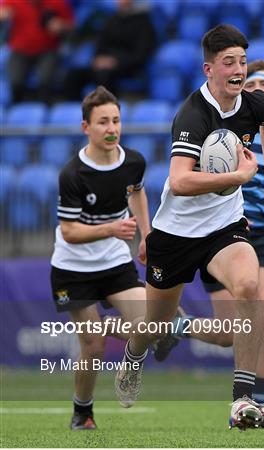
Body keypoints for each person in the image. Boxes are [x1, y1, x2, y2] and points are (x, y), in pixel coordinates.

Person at [114, 25, 264, 431]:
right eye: (229, 63)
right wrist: (242, 177)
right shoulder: (193, 114)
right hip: (175, 235)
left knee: (248, 286)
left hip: (224, 226)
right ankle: (134, 356)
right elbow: (179, 181)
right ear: (209, 69)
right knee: (152, 326)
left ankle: (242, 402)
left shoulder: (254, 103)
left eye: (243, 61)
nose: (238, 69)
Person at [152, 60, 264, 429]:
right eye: (253, 81)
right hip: (218, 229)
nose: (258, 87)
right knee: (232, 333)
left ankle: (254, 406)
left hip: (258, 232)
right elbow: (183, 180)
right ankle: (174, 327)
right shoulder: (218, 127)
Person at [50, 85, 150, 430]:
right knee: (92, 346)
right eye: (103, 122)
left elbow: (136, 192)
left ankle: (129, 365)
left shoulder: (134, 161)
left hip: (113, 263)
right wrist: (111, 229)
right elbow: (70, 232)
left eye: (116, 121)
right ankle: (82, 413)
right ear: (86, 128)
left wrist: (146, 235)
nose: (111, 129)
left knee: (151, 323)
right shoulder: (73, 174)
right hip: (72, 269)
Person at [64, 0, 156, 100]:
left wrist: (116, 62)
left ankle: (108, 110)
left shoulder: (144, 23)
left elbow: (141, 54)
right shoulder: (112, 20)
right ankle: (77, 111)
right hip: (105, 63)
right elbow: (100, 44)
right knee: (74, 76)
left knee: (104, 75)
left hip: (128, 66)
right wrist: (98, 59)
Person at [0, 0, 74, 103]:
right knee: (15, 81)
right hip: (20, 50)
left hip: (48, 50)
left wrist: (61, 26)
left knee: (46, 80)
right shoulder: (13, 2)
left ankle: (46, 108)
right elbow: (2, 13)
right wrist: (3, 17)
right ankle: (17, 107)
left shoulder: (57, 3)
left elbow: (71, 26)